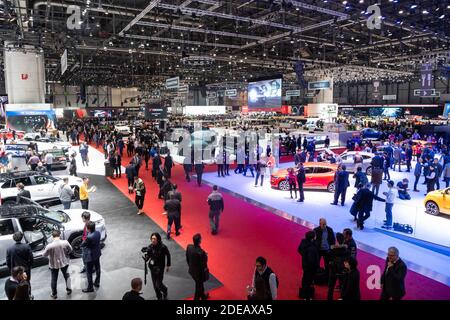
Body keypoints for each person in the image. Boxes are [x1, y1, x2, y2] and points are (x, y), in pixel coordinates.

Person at [42, 229, 73, 299]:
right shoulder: (65, 242)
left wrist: (50, 256)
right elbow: (71, 249)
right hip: (64, 262)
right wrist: (67, 254)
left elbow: (43, 255)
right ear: (60, 235)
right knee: (67, 276)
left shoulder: (49, 246)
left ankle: (54, 294)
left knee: (54, 279)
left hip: (53, 264)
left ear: (52, 236)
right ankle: (69, 290)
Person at [142, 233, 171, 300]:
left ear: (158, 239)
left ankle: (165, 290)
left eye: (154, 238)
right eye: (152, 238)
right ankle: (159, 297)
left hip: (160, 268)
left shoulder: (163, 247)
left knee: (158, 284)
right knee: (155, 285)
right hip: (152, 268)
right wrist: (145, 258)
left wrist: (168, 265)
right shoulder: (150, 247)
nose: (153, 240)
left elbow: (168, 254)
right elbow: (148, 256)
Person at [186, 233, 209, 300]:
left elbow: (187, 258)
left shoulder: (189, 247)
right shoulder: (201, 252)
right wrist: (205, 256)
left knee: (200, 284)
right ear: (200, 241)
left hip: (191, 271)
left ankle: (203, 296)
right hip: (199, 273)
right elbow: (204, 263)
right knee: (198, 287)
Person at [298, 231, 319, 300]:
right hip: (311, 267)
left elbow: (299, 250)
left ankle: (304, 293)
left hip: (305, 264)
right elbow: (312, 260)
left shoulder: (303, 242)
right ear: (312, 238)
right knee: (309, 281)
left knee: (305, 278)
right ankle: (307, 296)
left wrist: (304, 256)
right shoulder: (312, 247)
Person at [81, 221, 102, 293]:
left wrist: (85, 238)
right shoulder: (98, 233)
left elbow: (82, 245)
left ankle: (90, 288)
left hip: (90, 256)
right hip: (97, 253)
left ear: (88, 229)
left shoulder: (89, 237)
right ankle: (97, 282)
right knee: (98, 268)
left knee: (89, 272)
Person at [327, 233, 348, 300]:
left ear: (337, 240)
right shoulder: (346, 250)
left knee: (331, 287)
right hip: (342, 271)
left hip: (333, 270)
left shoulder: (332, 249)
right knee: (342, 286)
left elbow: (329, 259)